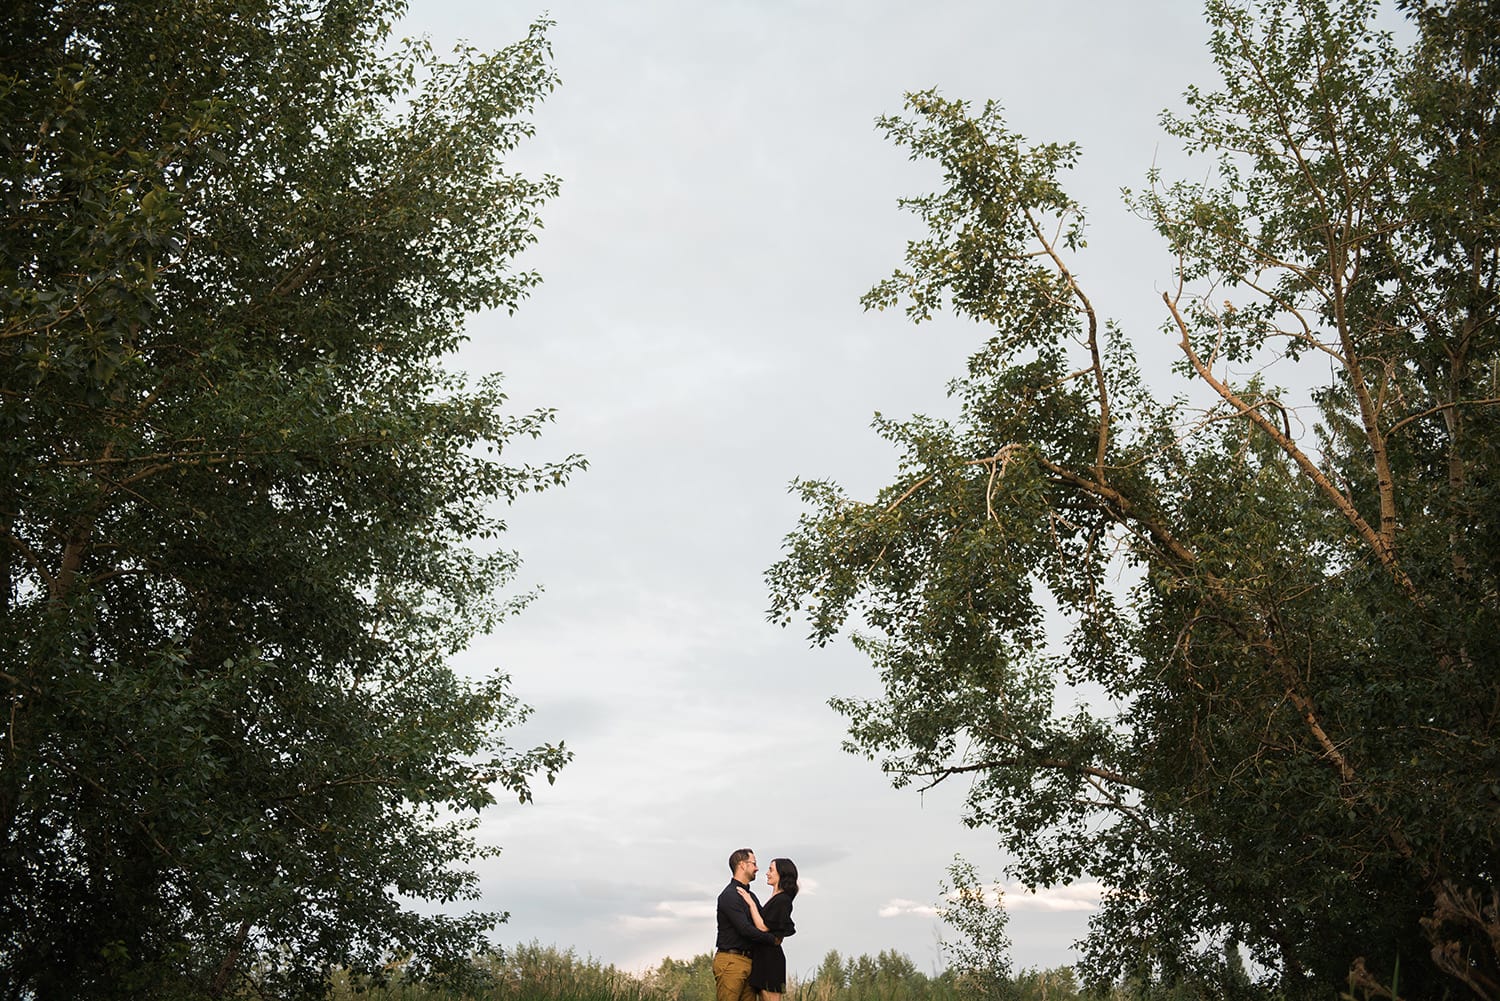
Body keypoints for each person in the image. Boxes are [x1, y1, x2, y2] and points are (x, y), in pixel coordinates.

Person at [714, 848, 778, 1001]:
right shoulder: (729, 896)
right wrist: (772, 939)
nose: (757, 868)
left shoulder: (751, 897)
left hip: (750, 962)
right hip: (731, 962)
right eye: (754, 863)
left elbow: (764, 922)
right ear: (742, 865)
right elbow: (745, 929)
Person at [737, 857, 798, 1001]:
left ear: (781, 874)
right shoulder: (776, 897)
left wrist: (751, 903)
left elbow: (763, 927)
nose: (767, 873)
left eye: (771, 870)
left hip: (771, 959)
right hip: (762, 957)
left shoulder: (783, 900)